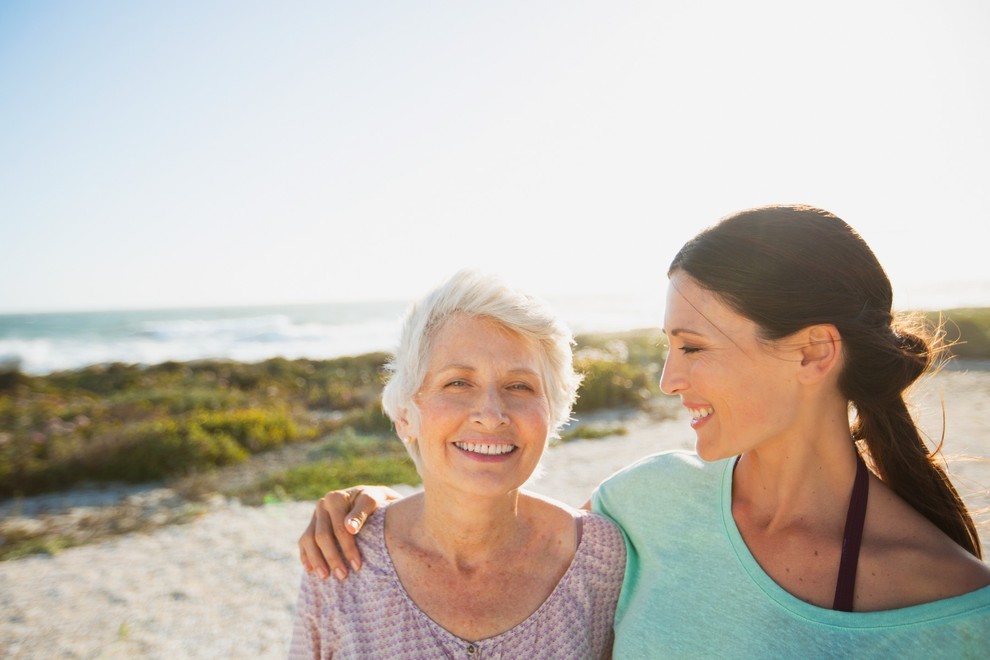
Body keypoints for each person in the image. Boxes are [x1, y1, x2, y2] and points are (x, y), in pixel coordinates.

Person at [299, 205, 990, 656]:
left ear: (812, 352)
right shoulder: (643, 507)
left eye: (692, 346)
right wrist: (377, 503)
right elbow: (488, 520)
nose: (667, 379)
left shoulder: (958, 611)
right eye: (666, 346)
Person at [289, 270, 625, 659]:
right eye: (458, 383)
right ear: (405, 414)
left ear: (553, 413)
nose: (492, 414)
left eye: (520, 386)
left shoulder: (600, 558)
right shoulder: (340, 560)